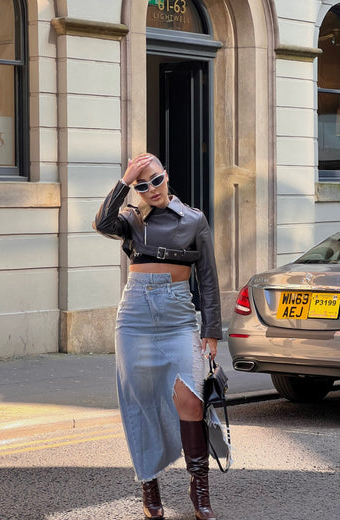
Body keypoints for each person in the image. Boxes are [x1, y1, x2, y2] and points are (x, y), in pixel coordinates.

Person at [93, 153, 222, 520]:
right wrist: (124, 180)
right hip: (134, 317)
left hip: (179, 317)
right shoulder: (131, 220)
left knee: (192, 400)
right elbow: (101, 222)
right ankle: (150, 490)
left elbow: (209, 279)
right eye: (142, 185)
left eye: (156, 180)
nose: (151, 189)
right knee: (140, 403)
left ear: (167, 176)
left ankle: (200, 494)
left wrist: (212, 330)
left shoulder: (194, 219)